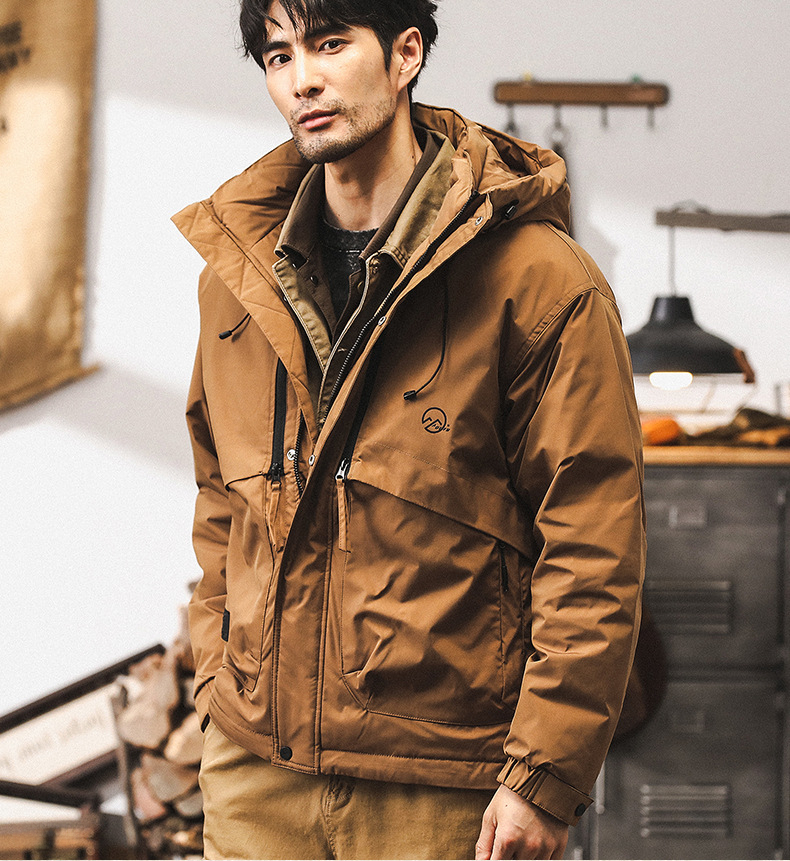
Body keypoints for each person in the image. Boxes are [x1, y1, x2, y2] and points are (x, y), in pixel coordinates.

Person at [173, 0, 646, 857]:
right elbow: (219, 502)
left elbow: (593, 544)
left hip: (441, 784)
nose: (303, 78)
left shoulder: (541, 281)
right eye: (278, 56)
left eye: (329, 43)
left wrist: (544, 773)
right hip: (255, 774)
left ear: (406, 54)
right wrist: (218, 678)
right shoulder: (236, 281)